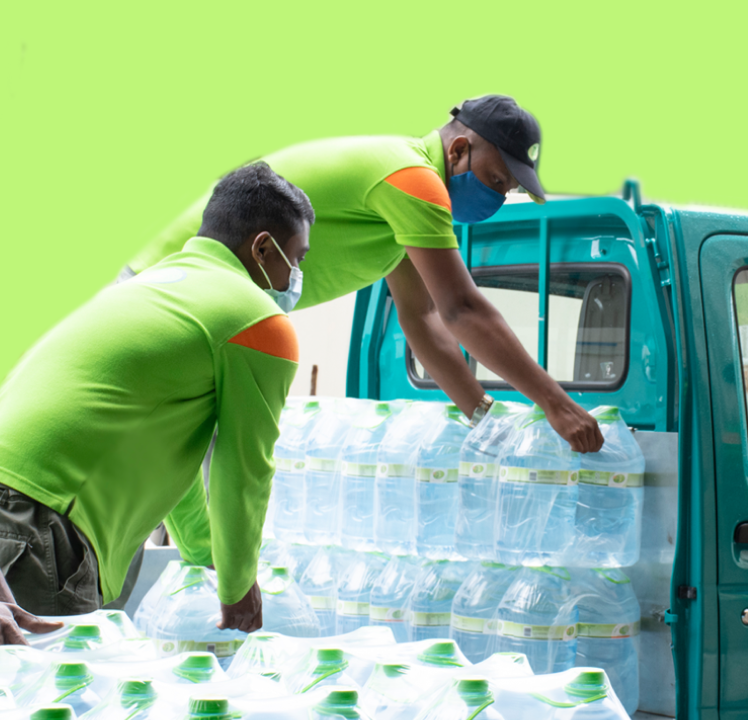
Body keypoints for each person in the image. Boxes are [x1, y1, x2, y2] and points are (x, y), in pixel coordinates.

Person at [125, 94, 603, 452]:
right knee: (164, 468)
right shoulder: (412, 179)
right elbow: (461, 309)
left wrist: (484, 419)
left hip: (190, 303)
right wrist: (556, 403)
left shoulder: (402, 198)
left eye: (509, 189)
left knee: (173, 466)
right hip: (169, 292)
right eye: (497, 179)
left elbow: (423, 318)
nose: (498, 197)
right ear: (458, 150)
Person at [0, 162, 313, 641]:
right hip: (41, 524)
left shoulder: (147, 290)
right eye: (297, 257)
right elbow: (244, 470)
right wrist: (238, 589)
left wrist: (203, 555)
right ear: (263, 248)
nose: (297, 275)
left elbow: (169, 465)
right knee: (49, 683)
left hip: (20, 508)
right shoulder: (257, 322)